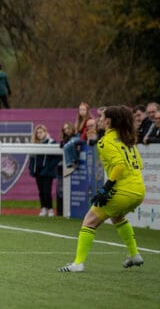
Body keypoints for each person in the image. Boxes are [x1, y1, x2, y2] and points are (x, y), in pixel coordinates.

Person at [59, 105, 145, 272]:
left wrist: (106, 188)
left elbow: (119, 166)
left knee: (89, 221)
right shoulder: (127, 139)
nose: (98, 120)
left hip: (123, 191)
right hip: (138, 190)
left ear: (108, 121)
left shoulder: (105, 141)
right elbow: (138, 165)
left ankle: (78, 264)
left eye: (102, 117)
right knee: (117, 217)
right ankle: (134, 255)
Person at [28, 125, 61, 217]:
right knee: (41, 191)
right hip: (38, 171)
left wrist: (49, 167)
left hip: (47, 172)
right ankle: (43, 208)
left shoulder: (51, 142)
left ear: (45, 132)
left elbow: (57, 157)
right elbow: (32, 159)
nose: (39, 134)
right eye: (37, 133)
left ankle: (50, 209)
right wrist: (32, 169)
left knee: (47, 191)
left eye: (41, 132)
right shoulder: (34, 144)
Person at [62, 102, 93, 176]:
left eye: (83, 109)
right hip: (78, 137)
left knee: (71, 143)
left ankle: (73, 162)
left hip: (84, 137)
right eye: (80, 110)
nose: (81, 111)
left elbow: (86, 132)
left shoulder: (89, 120)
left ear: (87, 110)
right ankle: (70, 164)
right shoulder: (79, 120)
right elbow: (76, 132)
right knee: (67, 145)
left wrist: (80, 140)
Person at [56, 122, 78, 217]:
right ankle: (61, 212)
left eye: (68, 128)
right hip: (62, 167)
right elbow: (61, 145)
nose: (66, 131)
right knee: (60, 190)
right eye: (64, 129)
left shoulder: (76, 138)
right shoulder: (65, 140)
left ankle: (71, 163)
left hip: (71, 164)